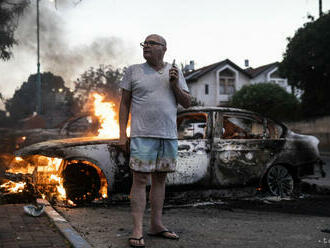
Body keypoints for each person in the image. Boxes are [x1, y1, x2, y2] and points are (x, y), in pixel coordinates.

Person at [118, 34, 191, 248]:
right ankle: (137, 229)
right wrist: (122, 133)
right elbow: (123, 104)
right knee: (140, 180)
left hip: (168, 134)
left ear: (164, 48)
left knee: (160, 180)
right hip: (142, 134)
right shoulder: (133, 70)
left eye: (151, 43)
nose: (146, 46)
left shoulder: (175, 72)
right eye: (144, 43)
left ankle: (156, 225)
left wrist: (175, 83)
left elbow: (186, 103)